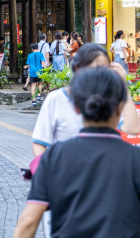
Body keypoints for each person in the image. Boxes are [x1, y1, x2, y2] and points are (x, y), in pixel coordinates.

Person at [14, 68, 140, 238]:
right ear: (119, 109)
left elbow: (28, 221)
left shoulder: (54, 156)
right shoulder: (135, 159)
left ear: (77, 108)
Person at [32, 43, 140, 157]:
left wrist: (122, 85)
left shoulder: (108, 97)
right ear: (77, 68)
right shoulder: (56, 99)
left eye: (104, 69)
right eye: (94, 68)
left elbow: (132, 129)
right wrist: (46, 170)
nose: (99, 74)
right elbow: (39, 142)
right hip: (66, 170)